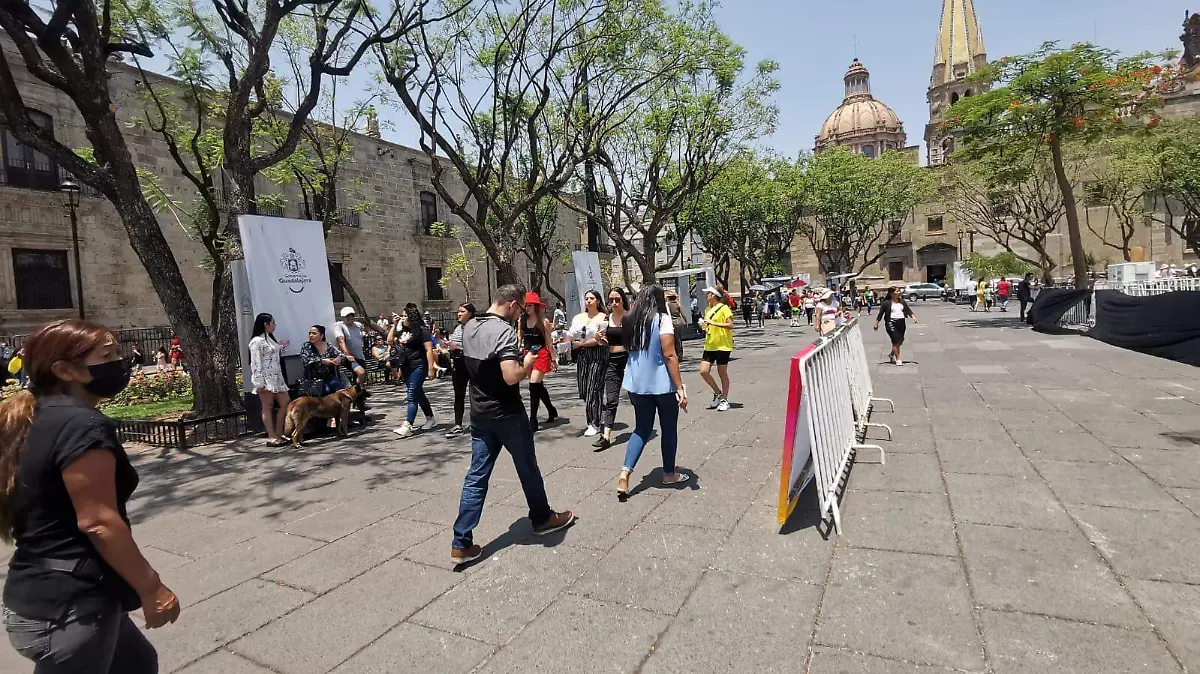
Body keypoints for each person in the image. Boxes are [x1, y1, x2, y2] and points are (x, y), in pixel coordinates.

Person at [1, 319, 179, 673]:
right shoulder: (82, 425)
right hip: (69, 608)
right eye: (108, 355)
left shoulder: (38, 414)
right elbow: (98, 521)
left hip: (46, 593)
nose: (122, 361)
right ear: (65, 370)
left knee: (138, 664)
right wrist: (151, 588)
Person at [451, 285, 576, 565]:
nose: (519, 314)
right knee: (527, 467)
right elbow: (510, 376)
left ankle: (461, 541)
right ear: (511, 304)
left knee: (476, 475)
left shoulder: (468, 326)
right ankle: (542, 518)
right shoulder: (504, 331)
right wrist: (528, 364)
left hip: (480, 413)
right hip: (506, 412)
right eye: (519, 308)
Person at [616, 285, 690, 500]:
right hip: (662, 384)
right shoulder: (661, 319)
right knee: (668, 428)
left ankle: (625, 472)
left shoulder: (629, 320)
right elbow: (669, 354)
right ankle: (669, 474)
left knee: (641, 429)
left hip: (637, 383)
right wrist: (679, 386)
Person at [390, 308, 437, 438]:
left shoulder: (422, 331)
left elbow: (429, 350)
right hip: (406, 366)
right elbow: (389, 340)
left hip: (419, 365)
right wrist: (394, 325)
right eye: (402, 316)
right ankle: (430, 418)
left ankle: (408, 424)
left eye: (405, 316)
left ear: (412, 318)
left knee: (412, 394)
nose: (402, 318)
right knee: (418, 393)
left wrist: (431, 368)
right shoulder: (402, 331)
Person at [594, 287, 630, 450]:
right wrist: (598, 339)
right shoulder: (606, 319)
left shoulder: (630, 317)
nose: (614, 303)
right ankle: (606, 436)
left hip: (629, 360)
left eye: (617, 299)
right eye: (611, 300)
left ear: (623, 300)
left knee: (636, 396)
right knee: (611, 399)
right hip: (612, 360)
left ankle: (643, 427)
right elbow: (605, 343)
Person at [569, 289, 609, 436]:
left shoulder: (604, 317)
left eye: (592, 298)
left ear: (598, 301)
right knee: (584, 389)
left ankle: (594, 423)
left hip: (598, 353)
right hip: (582, 355)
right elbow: (571, 334)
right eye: (586, 298)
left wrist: (582, 344)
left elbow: (600, 339)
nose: (588, 301)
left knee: (594, 388)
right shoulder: (579, 317)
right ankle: (599, 408)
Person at [248, 313, 292, 446]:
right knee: (268, 406)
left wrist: (280, 347)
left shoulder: (270, 339)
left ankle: (279, 432)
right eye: (273, 323)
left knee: (286, 402)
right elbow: (255, 362)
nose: (274, 326)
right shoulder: (256, 341)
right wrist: (258, 382)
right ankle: (271, 436)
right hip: (265, 378)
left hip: (277, 377)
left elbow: (273, 353)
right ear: (265, 324)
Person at [521, 292, 559, 433]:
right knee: (538, 386)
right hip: (527, 354)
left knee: (533, 384)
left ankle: (533, 419)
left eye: (530, 305)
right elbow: (520, 338)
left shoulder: (544, 322)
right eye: (526, 305)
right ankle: (551, 409)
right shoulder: (522, 320)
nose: (527, 308)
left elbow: (549, 342)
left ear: (536, 306)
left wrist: (553, 359)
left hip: (541, 354)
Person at [698, 286, 735, 411]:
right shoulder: (708, 309)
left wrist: (713, 323)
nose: (706, 296)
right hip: (710, 345)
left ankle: (725, 399)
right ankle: (717, 392)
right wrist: (704, 326)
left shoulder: (724, 308)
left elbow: (730, 325)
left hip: (723, 345)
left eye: (708, 294)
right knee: (703, 371)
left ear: (713, 295)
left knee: (722, 372)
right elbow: (708, 326)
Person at [444, 303, 476, 438]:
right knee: (459, 395)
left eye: (462, 311)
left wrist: (459, 347)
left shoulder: (475, 327)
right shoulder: (458, 328)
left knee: (476, 394)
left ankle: (478, 422)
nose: (459, 314)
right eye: (458, 312)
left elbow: (478, 345)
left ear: (470, 313)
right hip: (458, 363)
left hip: (471, 362)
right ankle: (458, 425)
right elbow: (454, 343)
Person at [333, 307, 369, 411]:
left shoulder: (357, 325)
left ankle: (360, 402)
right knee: (361, 373)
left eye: (351, 316)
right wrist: (347, 354)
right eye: (347, 316)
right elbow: (340, 340)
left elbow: (367, 327)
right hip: (349, 357)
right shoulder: (339, 326)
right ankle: (359, 394)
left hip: (360, 356)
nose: (350, 318)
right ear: (343, 317)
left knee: (359, 379)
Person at [874, 287, 919, 365]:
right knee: (895, 340)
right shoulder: (886, 303)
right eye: (897, 291)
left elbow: (908, 310)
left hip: (901, 322)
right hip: (890, 322)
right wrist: (876, 323)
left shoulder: (902, 301)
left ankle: (891, 354)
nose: (899, 292)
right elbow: (881, 313)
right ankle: (898, 359)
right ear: (892, 294)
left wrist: (913, 317)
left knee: (900, 340)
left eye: (899, 291)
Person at [299, 325, 345, 396]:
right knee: (326, 391)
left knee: (339, 389)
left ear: (322, 335)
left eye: (314, 333)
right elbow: (306, 361)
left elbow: (341, 355)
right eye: (310, 333)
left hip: (329, 376)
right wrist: (323, 361)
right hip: (314, 378)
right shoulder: (306, 346)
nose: (311, 335)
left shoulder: (328, 345)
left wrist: (338, 359)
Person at [666, 291, 687, 360]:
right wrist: (685, 321)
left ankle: (676, 354)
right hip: (679, 322)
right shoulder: (678, 304)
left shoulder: (668, 305)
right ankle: (680, 354)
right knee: (679, 339)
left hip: (671, 323)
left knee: (674, 339)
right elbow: (683, 314)